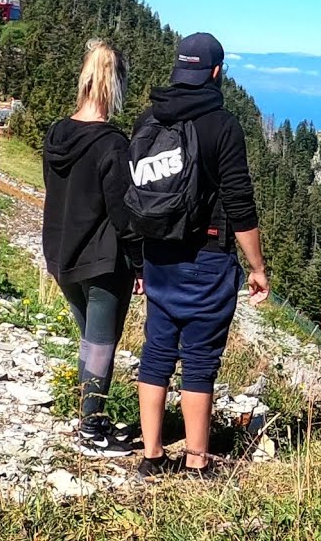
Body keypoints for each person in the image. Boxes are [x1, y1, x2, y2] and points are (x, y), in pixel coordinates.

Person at [132, 32, 269, 479]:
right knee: (200, 360)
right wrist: (257, 267)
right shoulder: (222, 125)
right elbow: (240, 203)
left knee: (157, 351)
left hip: (157, 253)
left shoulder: (149, 118)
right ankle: (196, 461)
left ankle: (152, 457)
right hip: (207, 256)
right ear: (216, 72)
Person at [42, 38, 143, 457]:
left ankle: (90, 418)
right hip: (102, 260)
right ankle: (90, 429)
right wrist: (139, 263)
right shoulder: (112, 144)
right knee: (101, 343)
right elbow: (123, 212)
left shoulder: (57, 133)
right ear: (115, 84)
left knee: (89, 339)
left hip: (62, 252)